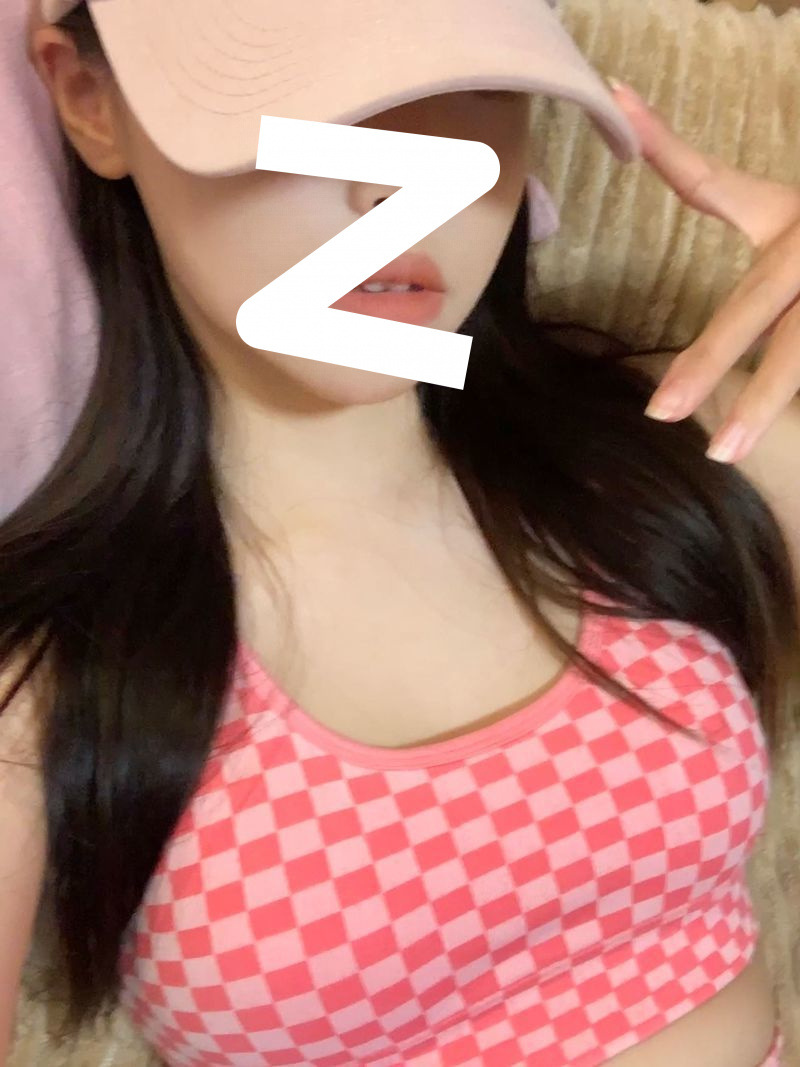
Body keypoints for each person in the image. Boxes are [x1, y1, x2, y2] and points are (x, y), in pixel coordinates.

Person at [2, 0, 799, 1065]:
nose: (398, 193)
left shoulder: (688, 440)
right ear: (89, 99)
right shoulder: (48, 676)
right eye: (302, 97)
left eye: (464, 88)